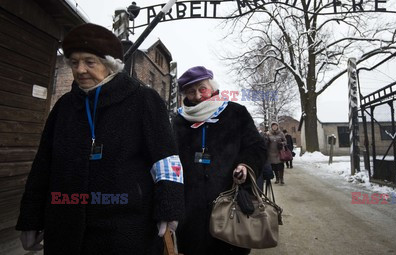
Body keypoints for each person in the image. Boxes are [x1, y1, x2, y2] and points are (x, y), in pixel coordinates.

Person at [15, 23, 184, 254]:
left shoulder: (143, 100)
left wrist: (169, 208)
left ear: (109, 64)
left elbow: (166, 160)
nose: (80, 69)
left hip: (126, 230)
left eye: (89, 62)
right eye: (74, 62)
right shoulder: (65, 106)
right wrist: (31, 219)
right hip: (64, 230)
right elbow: (43, 165)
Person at [172, 66, 267, 255]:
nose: (198, 96)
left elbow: (257, 147)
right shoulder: (179, 120)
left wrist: (245, 165)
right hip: (190, 208)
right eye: (191, 91)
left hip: (230, 202)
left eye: (202, 88)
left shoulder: (236, 112)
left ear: (212, 87)